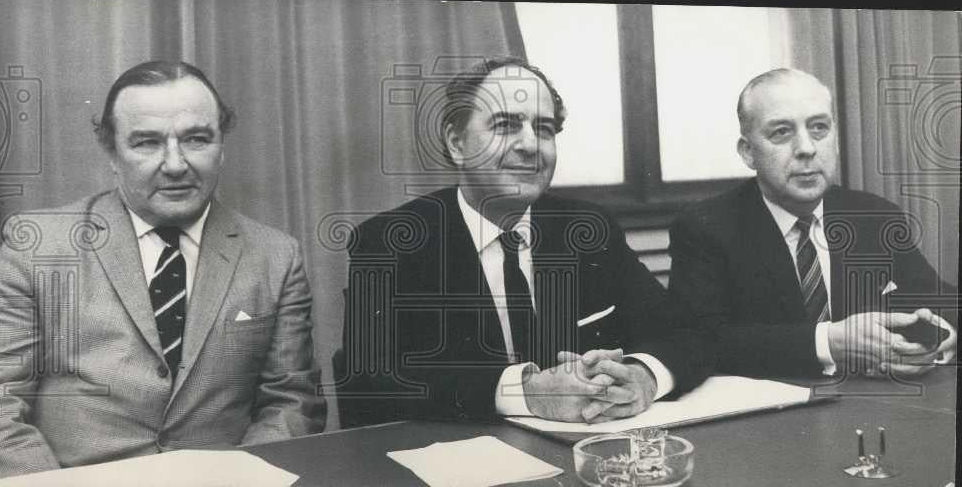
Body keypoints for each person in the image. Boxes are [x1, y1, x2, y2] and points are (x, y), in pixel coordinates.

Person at [0, 61, 325, 482]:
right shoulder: (36, 248)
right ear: (111, 155)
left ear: (221, 146)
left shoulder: (276, 257)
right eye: (147, 143)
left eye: (196, 138)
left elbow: (292, 403)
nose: (175, 164)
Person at [335, 57, 709, 428]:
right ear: (457, 143)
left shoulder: (589, 228)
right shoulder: (391, 241)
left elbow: (685, 332)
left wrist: (643, 376)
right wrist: (525, 393)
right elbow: (368, 382)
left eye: (544, 129)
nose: (531, 145)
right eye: (505, 126)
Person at [668, 68, 957, 378]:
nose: (806, 148)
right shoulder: (705, 227)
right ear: (748, 153)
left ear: (835, 139)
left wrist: (937, 338)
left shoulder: (874, 214)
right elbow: (699, 340)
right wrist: (826, 342)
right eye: (782, 132)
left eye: (819, 127)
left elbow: (938, 298)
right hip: (774, 412)